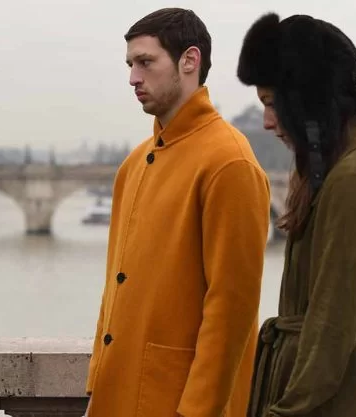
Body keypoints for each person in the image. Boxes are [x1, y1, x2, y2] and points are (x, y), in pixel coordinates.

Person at [85, 8, 272, 417]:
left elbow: (232, 311)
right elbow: (114, 289)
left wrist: (198, 410)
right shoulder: (133, 165)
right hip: (117, 395)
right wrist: (97, 380)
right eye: (130, 65)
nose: (133, 78)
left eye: (145, 62)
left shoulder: (229, 162)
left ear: (190, 60)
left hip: (179, 404)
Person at [236, 12, 356, 416]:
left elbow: (332, 324)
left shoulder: (353, 181)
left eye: (272, 104)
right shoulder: (331, 173)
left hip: (337, 401)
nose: (267, 122)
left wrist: (284, 410)